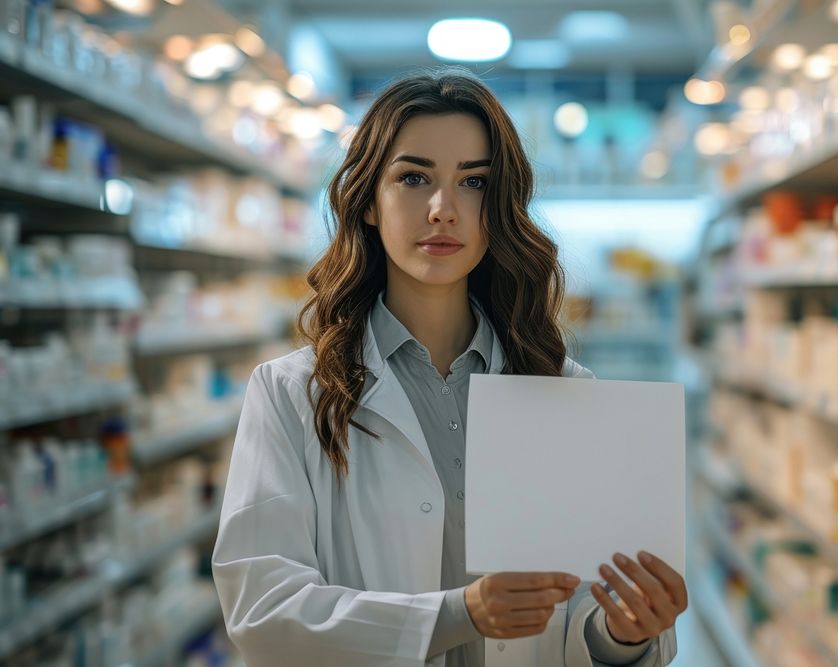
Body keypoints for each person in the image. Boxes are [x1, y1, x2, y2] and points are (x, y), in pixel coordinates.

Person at [212, 69, 687, 667]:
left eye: (474, 183)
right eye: (413, 178)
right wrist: (459, 615)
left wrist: (623, 634)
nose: (443, 210)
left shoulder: (566, 393)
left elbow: (585, 618)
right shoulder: (291, 394)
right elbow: (263, 612)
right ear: (367, 202)